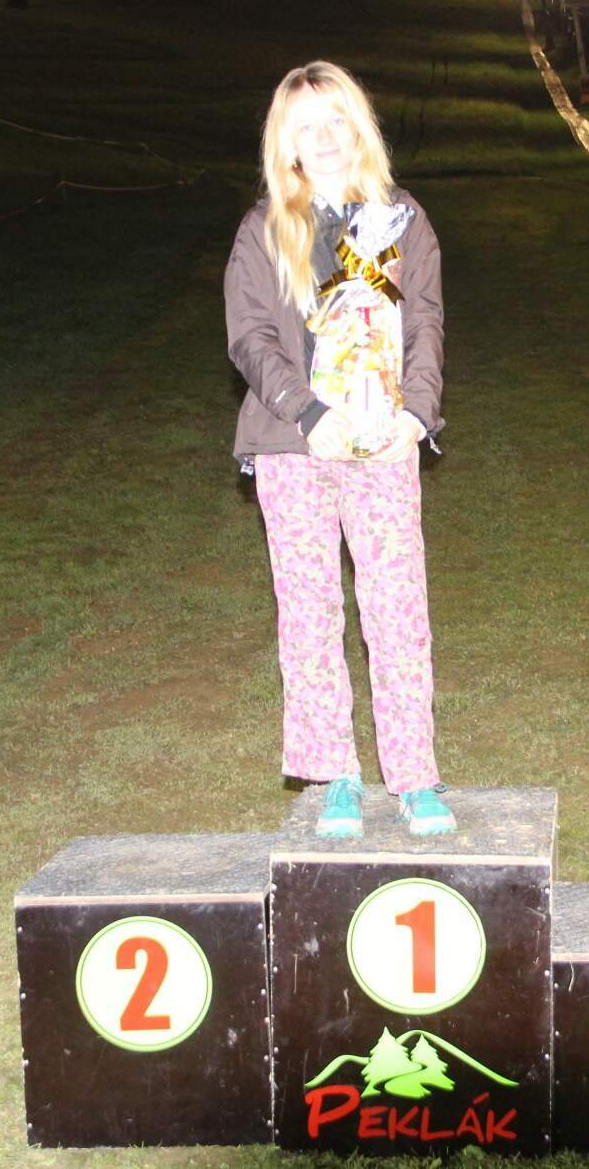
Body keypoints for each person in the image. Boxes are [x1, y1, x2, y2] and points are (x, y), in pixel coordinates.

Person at [224, 60, 453, 839]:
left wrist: (416, 414)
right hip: (294, 446)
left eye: (335, 120)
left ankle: (414, 776)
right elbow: (250, 337)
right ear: (284, 143)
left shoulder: (401, 220)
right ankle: (336, 776)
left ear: (359, 128)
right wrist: (307, 411)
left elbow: (425, 324)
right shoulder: (263, 230)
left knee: (397, 610)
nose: (322, 138)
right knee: (309, 614)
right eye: (304, 126)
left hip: (384, 443)